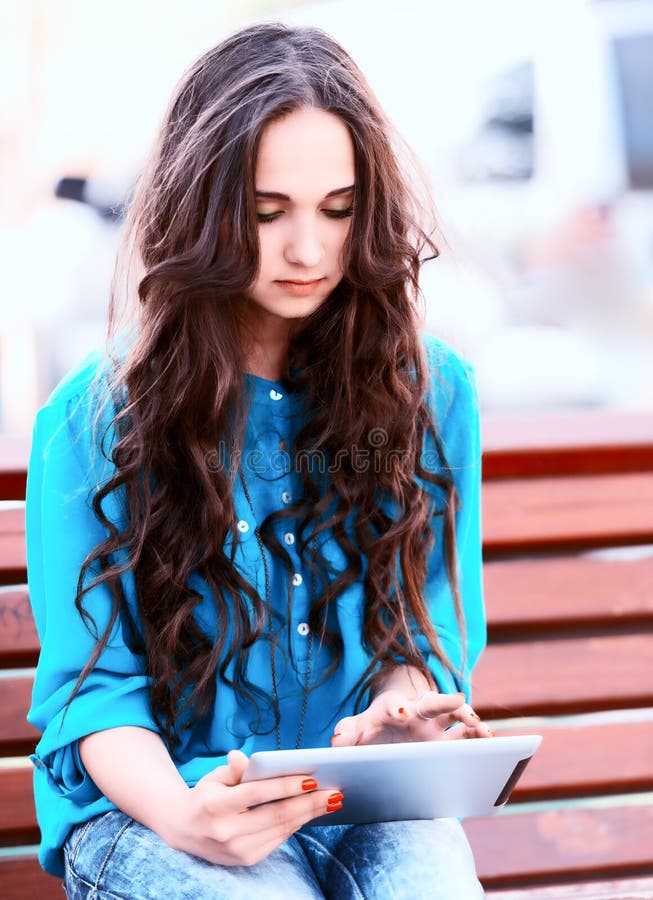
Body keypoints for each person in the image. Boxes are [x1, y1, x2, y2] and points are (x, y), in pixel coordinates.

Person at [26, 21, 489, 900]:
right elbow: (94, 692)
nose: (307, 251)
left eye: (338, 209)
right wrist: (183, 811)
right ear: (201, 208)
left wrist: (398, 713)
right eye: (266, 212)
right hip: (156, 809)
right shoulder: (96, 414)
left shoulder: (432, 392)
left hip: (360, 803)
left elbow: (417, 632)